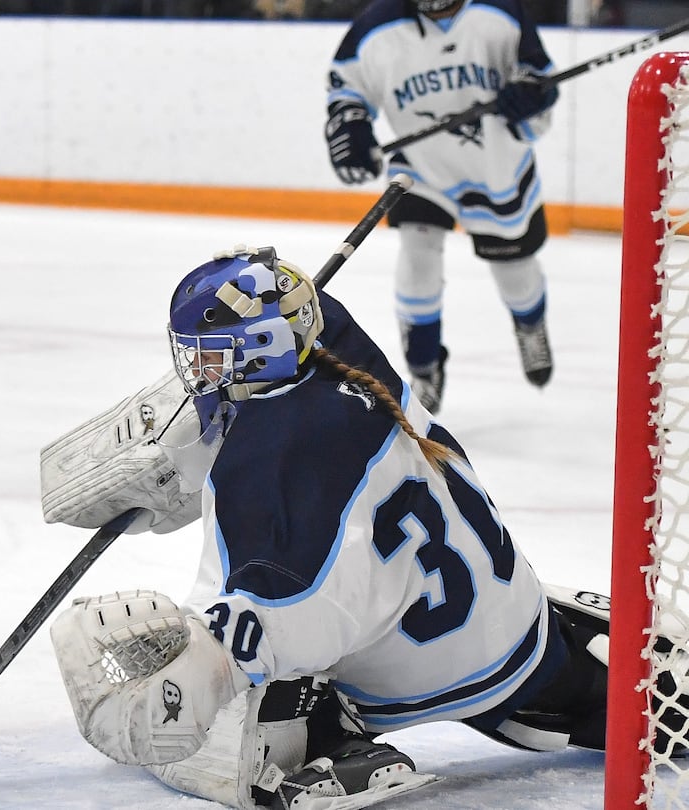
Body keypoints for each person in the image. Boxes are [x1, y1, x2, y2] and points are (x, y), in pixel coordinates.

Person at [41, 247, 685, 808]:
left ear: (254, 354)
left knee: (236, 723)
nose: (195, 375)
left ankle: (331, 737)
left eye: (206, 360)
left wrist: (192, 684)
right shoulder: (340, 355)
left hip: (434, 673)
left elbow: (281, 613)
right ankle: (608, 670)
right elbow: (297, 309)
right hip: (510, 611)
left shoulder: (269, 465)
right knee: (588, 692)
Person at [323, 0, 559, 413]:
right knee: (418, 259)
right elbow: (346, 87)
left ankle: (529, 322)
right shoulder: (374, 28)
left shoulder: (501, 13)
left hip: (497, 167)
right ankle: (425, 365)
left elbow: (537, 76)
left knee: (515, 272)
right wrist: (351, 126)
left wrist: (530, 94)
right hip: (421, 167)